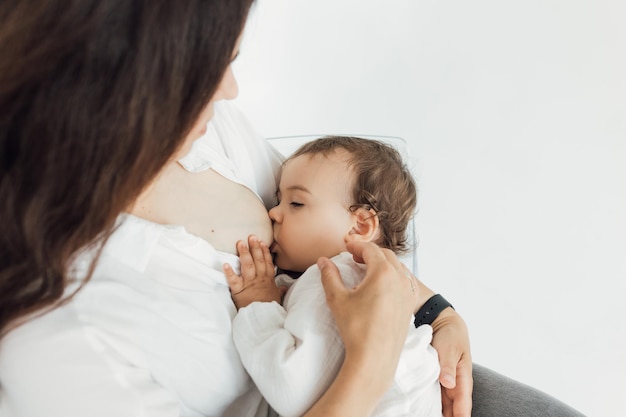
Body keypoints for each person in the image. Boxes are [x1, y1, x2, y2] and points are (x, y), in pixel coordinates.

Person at [0, 1, 585, 417]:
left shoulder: (208, 135)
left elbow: (335, 219)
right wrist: (371, 360)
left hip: (421, 383)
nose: (229, 90)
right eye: (208, 71)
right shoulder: (52, 334)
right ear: (126, 89)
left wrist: (438, 311)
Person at [223, 136, 442, 417]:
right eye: (279, 199)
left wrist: (258, 304)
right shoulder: (364, 280)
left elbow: (291, 388)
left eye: (297, 203)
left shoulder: (336, 277)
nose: (273, 212)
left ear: (360, 226)